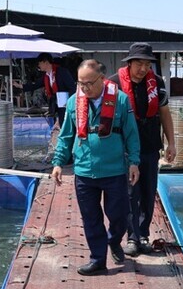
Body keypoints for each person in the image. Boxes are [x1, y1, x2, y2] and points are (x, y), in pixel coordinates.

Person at [51, 60, 141, 276]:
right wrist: (58, 163)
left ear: (102, 79)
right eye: (81, 83)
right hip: (84, 171)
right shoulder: (73, 103)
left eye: (89, 83)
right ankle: (98, 260)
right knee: (91, 218)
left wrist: (134, 162)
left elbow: (131, 133)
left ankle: (114, 240)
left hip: (114, 170)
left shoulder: (120, 100)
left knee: (119, 215)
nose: (85, 88)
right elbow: (65, 136)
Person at [109, 43, 176, 256]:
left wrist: (171, 143)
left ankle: (143, 234)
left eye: (147, 64)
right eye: (139, 63)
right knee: (130, 194)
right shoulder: (113, 83)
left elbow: (164, 113)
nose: (143, 68)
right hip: (125, 149)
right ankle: (132, 237)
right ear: (129, 63)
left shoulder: (157, 83)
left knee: (148, 192)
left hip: (149, 145)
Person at [15, 53, 76, 128]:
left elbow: (72, 87)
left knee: (65, 123)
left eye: (40, 63)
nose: (39, 66)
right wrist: (19, 86)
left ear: (45, 62)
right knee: (57, 123)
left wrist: (69, 101)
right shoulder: (46, 76)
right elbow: (35, 85)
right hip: (54, 104)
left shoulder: (62, 72)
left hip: (65, 103)